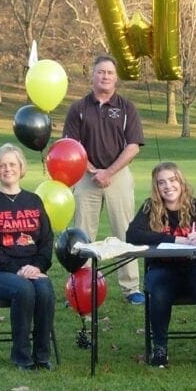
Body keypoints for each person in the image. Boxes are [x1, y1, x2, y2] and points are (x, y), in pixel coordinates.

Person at [126, 162, 196, 368]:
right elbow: (132, 235)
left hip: (195, 268)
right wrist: (174, 240)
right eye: (161, 182)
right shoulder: (150, 207)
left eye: (172, 180)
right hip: (163, 269)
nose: (168, 186)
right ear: (156, 187)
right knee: (159, 290)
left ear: (181, 182)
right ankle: (160, 348)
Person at [63, 54, 146, 304]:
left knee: (124, 230)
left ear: (116, 77)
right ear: (92, 75)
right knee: (83, 234)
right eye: (101, 72)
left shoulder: (126, 107)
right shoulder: (78, 108)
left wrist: (108, 172)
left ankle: (131, 288)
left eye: (110, 72)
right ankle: (78, 288)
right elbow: (71, 146)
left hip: (118, 176)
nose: (105, 76)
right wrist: (93, 171)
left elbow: (133, 146)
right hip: (86, 177)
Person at [0, 144, 55, 370]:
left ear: (21, 168)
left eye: (12, 164)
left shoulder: (34, 201)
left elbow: (47, 240)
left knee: (45, 289)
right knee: (24, 289)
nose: (7, 169)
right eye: (2, 165)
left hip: (32, 269)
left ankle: (42, 355)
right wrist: (16, 270)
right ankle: (21, 356)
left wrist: (37, 267)